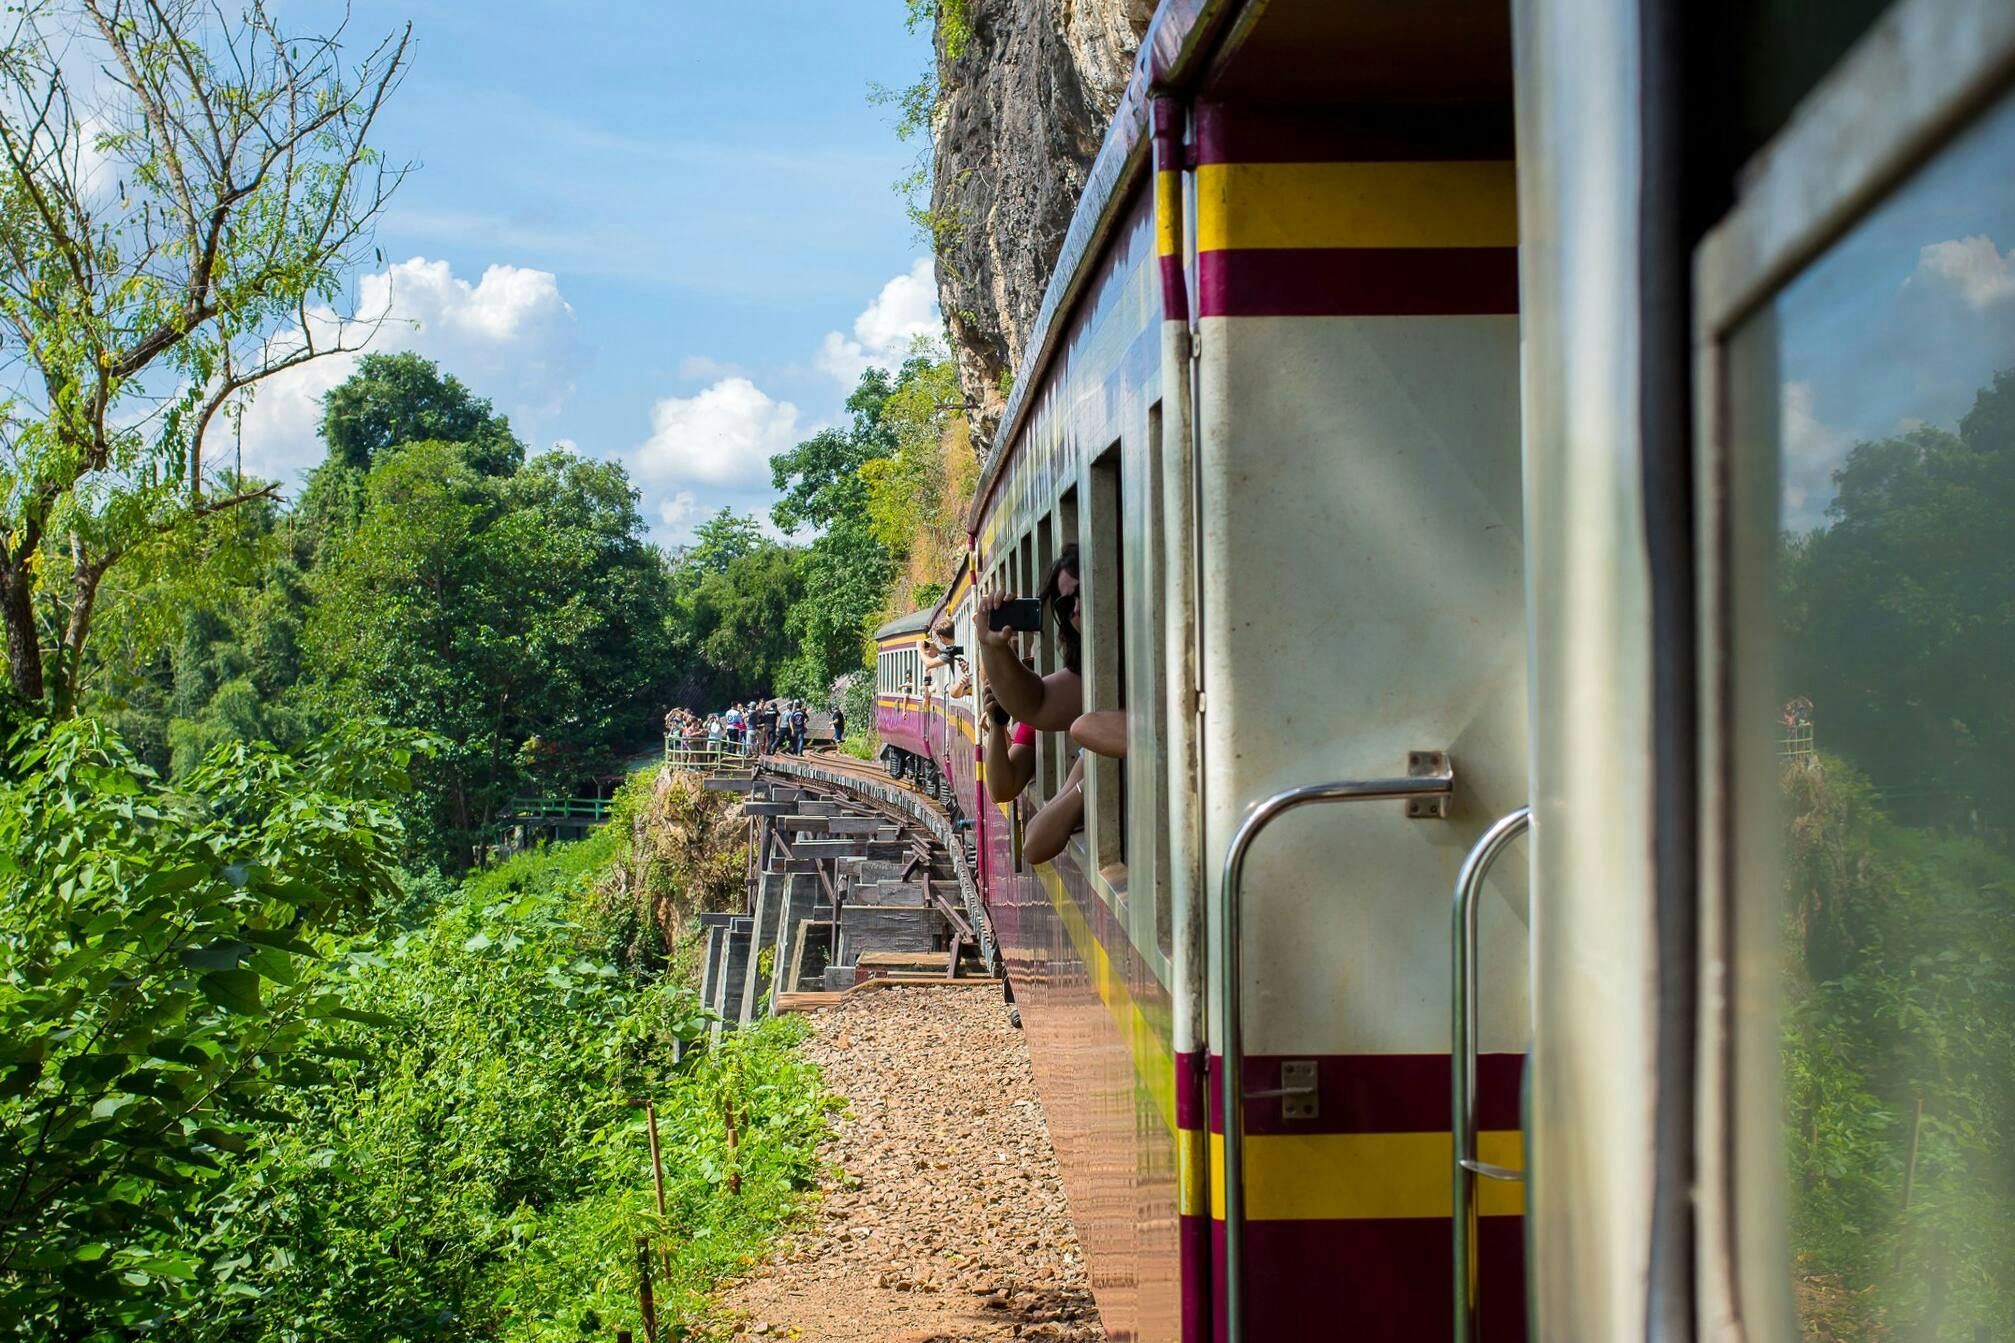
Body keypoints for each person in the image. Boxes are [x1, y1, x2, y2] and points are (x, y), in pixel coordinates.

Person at [976, 544, 1081, 731]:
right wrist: (991, 644)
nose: (1077, 608)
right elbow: (1036, 705)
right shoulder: (1088, 670)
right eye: (1066, 604)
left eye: (1082, 593)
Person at [983, 687, 1038, 804]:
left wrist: (996, 725)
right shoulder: (1029, 723)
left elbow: (999, 792)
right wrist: (997, 722)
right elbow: (999, 791)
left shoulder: (1039, 710)